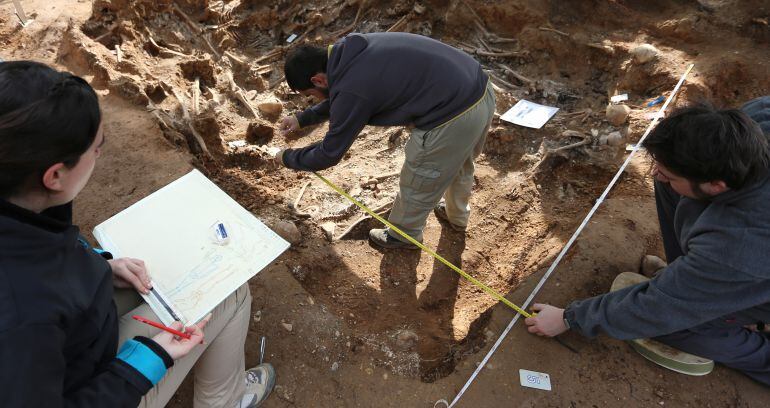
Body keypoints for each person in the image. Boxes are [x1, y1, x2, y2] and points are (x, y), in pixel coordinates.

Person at [0, 61, 275, 407]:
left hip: (77, 338)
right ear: (55, 176)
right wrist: (146, 361)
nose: (100, 152)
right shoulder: (22, 321)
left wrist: (98, 264)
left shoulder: (22, 204)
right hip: (92, 382)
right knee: (229, 292)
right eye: (96, 147)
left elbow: (42, 252)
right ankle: (228, 400)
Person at [525, 98, 770, 384]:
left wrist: (570, 318)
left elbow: (659, 310)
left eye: (669, 173)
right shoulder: (756, 119)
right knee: (669, 184)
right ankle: (692, 281)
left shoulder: (738, 245)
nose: (654, 172)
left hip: (753, 270)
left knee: (673, 325)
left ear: (717, 185)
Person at [275, 32, 496, 249]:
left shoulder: (352, 87)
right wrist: (302, 118)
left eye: (310, 94)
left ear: (318, 80)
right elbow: (345, 94)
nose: (313, 98)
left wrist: (287, 157)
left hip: (453, 117)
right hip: (480, 89)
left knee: (420, 176)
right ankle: (456, 215)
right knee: (459, 162)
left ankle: (404, 235)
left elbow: (329, 153)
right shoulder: (350, 49)